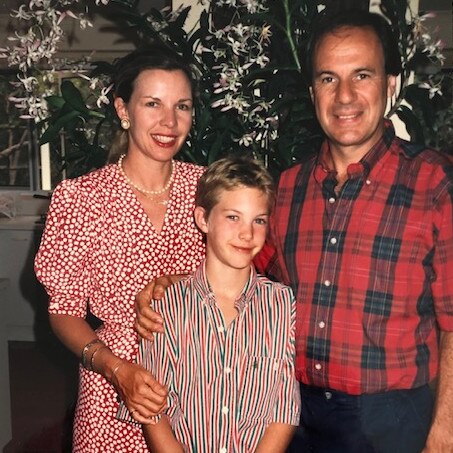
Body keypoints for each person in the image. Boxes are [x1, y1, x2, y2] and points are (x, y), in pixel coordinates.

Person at [135, 8, 453, 453]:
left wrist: (445, 432)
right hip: (297, 414)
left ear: (391, 85)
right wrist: (171, 284)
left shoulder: (434, 182)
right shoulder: (285, 188)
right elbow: (242, 266)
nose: (344, 96)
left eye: (362, 75)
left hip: (390, 418)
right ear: (312, 90)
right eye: (328, 78)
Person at [34, 46, 206, 452]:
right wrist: (116, 369)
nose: (169, 121)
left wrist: (181, 283)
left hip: (200, 380)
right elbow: (63, 312)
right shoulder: (80, 197)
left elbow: (242, 276)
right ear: (123, 110)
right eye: (153, 104)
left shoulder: (210, 190)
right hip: (114, 387)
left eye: (182, 106)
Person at [119, 155, 300, 452]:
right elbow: (153, 409)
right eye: (233, 217)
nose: (247, 233)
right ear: (203, 219)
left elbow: (284, 407)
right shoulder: (168, 306)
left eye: (259, 220)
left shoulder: (281, 304)